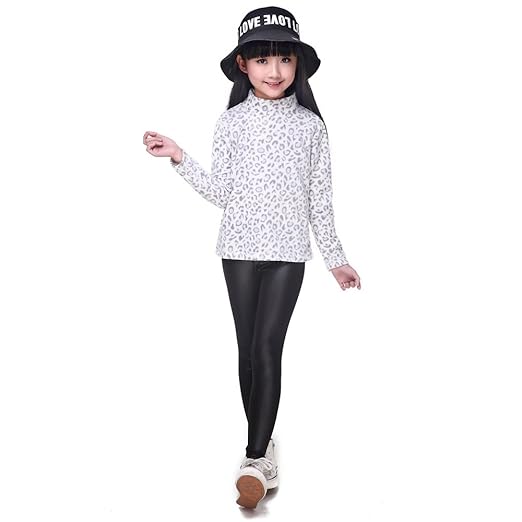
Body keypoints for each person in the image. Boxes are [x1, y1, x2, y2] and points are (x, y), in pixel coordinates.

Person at [143, 5, 361, 509]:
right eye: (263, 60)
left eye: (284, 59)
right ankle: (263, 454)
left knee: (266, 349)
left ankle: (254, 456)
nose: (275, 71)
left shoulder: (311, 127)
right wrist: (178, 157)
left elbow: (320, 199)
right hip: (238, 250)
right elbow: (221, 192)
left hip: (287, 254)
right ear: (243, 65)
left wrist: (336, 259)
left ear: (297, 65)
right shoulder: (232, 122)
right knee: (246, 353)